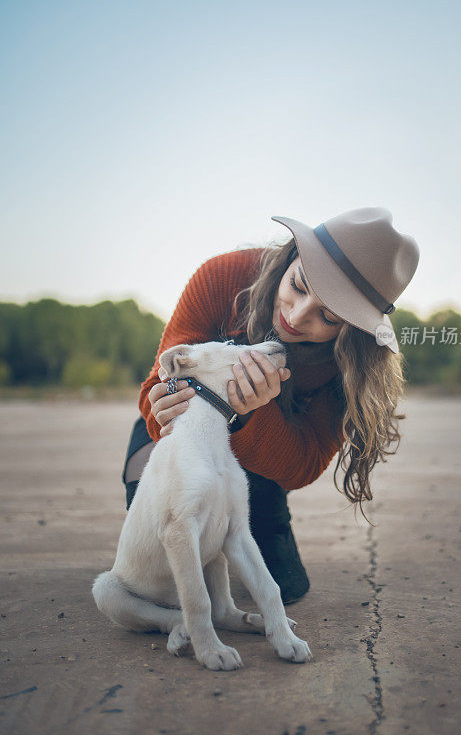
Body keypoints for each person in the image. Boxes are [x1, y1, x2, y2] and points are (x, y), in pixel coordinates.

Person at [122, 207, 420, 603]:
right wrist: (165, 406)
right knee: (161, 559)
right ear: (293, 252)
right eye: (298, 285)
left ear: (355, 328)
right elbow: (154, 391)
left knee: (287, 588)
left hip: (258, 461)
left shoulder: (350, 361)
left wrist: (251, 413)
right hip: (179, 438)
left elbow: (303, 466)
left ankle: (239, 524)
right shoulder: (221, 275)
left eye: (328, 317)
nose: (297, 317)